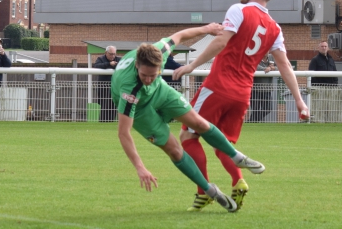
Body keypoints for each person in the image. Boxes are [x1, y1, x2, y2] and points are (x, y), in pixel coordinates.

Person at [173, 0, 309, 212]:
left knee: (188, 136)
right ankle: (239, 181)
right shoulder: (275, 28)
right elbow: (285, 65)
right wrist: (299, 101)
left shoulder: (239, 10)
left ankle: (203, 191)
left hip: (217, 87)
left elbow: (220, 41)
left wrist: (192, 66)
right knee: (224, 145)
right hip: (243, 94)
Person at [112, 23, 266, 213]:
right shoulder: (129, 89)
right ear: (137, 65)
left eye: (154, 74)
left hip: (160, 92)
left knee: (199, 123)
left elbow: (180, 35)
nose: (149, 79)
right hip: (141, 107)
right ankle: (210, 191)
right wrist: (140, 167)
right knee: (175, 150)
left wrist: (207, 28)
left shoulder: (159, 50)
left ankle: (237, 157)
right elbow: (123, 133)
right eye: (144, 75)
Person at [94, 46, 120, 122]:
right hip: (103, 87)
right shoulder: (100, 59)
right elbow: (96, 66)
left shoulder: (119, 60)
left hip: (115, 87)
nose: (113, 56)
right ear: (106, 53)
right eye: (111, 54)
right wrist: (109, 64)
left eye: (114, 54)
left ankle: (111, 121)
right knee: (104, 105)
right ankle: (103, 121)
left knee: (113, 105)